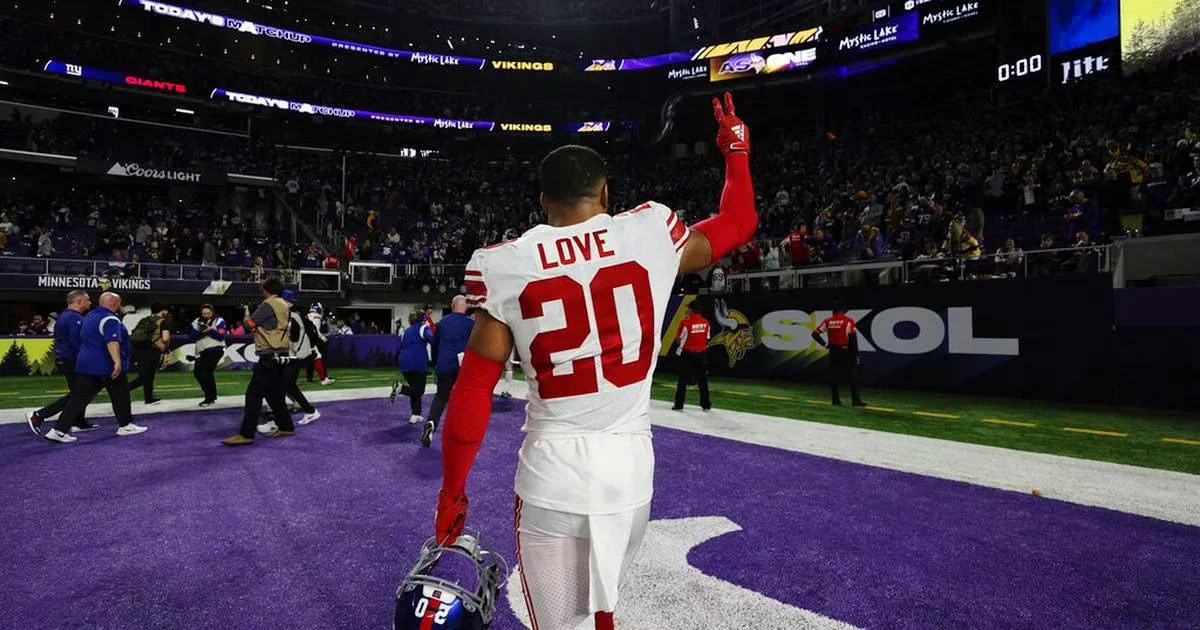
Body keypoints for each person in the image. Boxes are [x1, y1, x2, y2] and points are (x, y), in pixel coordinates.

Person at [432, 93, 756, 630]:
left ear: (543, 201)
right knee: (601, 608)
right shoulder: (650, 231)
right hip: (630, 473)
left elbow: (472, 391)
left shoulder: (504, 264)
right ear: (605, 193)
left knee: (563, 623)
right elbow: (739, 221)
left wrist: (452, 491)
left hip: (553, 474)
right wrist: (736, 151)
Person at [43, 292, 149, 443]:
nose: (121, 305)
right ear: (114, 303)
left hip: (86, 364)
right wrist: (117, 362)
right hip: (105, 364)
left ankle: (58, 430)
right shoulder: (110, 319)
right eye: (119, 302)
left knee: (79, 398)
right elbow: (112, 341)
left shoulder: (89, 317)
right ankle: (126, 425)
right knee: (121, 394)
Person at [221, 278, 296, 446]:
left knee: (253, 395)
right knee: (274, 394)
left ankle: (246, 433)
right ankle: (286, 426)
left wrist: (248, 316)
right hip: (281, 351)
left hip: (269, 353)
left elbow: (250, 324)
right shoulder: (284, 305)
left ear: (266, 290)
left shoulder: (269, 303)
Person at [25, 290, 99, 435]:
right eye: (88, 300)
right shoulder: (74, 318)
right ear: (79, 301)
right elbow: (77, 341)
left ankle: (78, 421)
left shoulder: (65, 316)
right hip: (73, 359)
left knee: (79, 391)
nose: (90, 303)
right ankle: (39, 415)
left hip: (65, 359)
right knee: (80, 393)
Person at [259, 290, 321, 432]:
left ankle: (277, 420)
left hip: (292, 356)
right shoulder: (292, 316)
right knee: (287, 385)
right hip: (294, 355)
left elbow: (292, 337)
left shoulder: (290, 317)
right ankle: (309, 411)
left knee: (278, 386)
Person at [421, 295, 474, 448]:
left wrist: (435, 364)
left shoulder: (442, 323)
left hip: (444, 365)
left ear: (452, 306)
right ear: (465, 306)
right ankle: (461, 431)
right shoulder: (471, 324)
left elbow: (435, 345)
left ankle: (431, 422)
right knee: (464, 398)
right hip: (463, 367)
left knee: (441, 397)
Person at [812, 303, 866, 407]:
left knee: (834, 376)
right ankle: (855, 401)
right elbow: (853, 339)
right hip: (846, 351)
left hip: (833, 351)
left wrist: (825, 344)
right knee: (853, 376)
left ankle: (835, 400)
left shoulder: (828, 321)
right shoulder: (848, 321)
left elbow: (815, 334)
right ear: (843, 310)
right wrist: (855, 355)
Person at [392, 310, 434, 424]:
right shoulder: (423, 328)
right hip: (418, 362)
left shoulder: (405, 331)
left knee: (414, 388)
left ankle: (415, 414)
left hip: (404, 362)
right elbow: (431, 339)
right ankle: (401, 388)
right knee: (419, 390)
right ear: (423, 319)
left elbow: (398, 347)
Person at [672, 303, 712, 411]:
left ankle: (679, 405)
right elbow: (707, 338)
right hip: (701, 354)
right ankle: (706, 405)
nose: (687, 310)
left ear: (692, 310)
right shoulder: (706, 323)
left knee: (682, 380)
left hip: (687, 353)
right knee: (703, 380)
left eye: (688, 308)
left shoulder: (685, 322)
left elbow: (678, 338)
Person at [128, 304, 170, 405]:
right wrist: (165, 346)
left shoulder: (145, 320)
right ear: (162, 311)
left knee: (147, 375)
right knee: (147, 376)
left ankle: (149, 398)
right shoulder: (163, 321)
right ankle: (124, 389)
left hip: (139, 350)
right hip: (152, 350)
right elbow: (165, 338)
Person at [189, 304, 228, 407]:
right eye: (204, 313)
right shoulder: (197, 321)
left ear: (212, 313)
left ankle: (209, 397)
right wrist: (204, 332)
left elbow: (221, 336)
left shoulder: (219, 321)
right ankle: (211, 395)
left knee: (204, 372)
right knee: (201, 373)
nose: (206, 315)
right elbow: (192, 337)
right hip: (202, 350)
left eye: (208, 313)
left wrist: (209, 330)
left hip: (215, 349)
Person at [305, 303, 334, 385]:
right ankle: (323, 379)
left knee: (313, 358)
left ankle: (319, 378)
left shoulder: (308, 315)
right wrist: (322, 338)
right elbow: (315, 330)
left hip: (306, 339)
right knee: (317, 357)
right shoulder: (316, 316)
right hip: (312, 340)